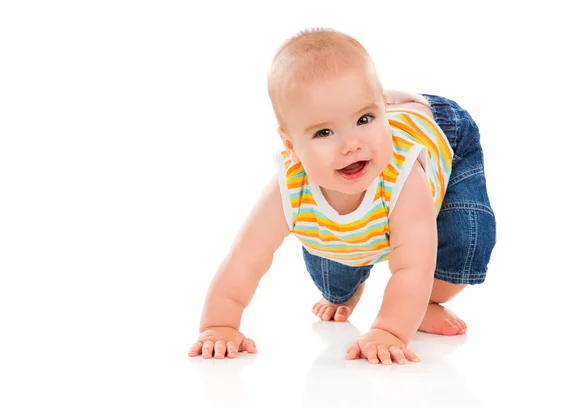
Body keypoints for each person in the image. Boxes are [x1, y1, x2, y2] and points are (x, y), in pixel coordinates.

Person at [188, 28, 496, 365]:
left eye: (364, 119)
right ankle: (357, 280)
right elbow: (245, 260)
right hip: (356, 195)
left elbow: (413, 265)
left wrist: (389, 331)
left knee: (462, 244)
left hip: (446, 135)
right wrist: (219, 326)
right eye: (324, 132)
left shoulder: (404, 177)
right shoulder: (289, 189)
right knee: (335, 286)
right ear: (291, 147)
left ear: (379, 109)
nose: (351, 144)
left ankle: (428, 304)